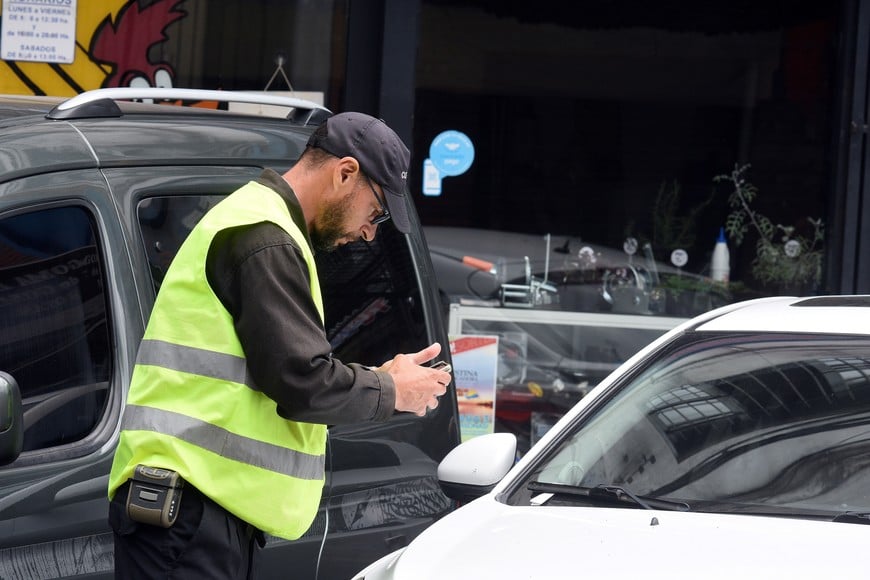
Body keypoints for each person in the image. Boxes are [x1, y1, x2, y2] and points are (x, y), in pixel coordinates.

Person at [107, 112, 451, 579]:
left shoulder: (261, 224)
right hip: (188, 513)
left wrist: (382, 380)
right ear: (345, 173)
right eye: (376, 212)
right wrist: (392, 392)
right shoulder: (265, 237)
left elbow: (288, 372)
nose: (371, 232)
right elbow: (303, 381)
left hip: (195, 511)